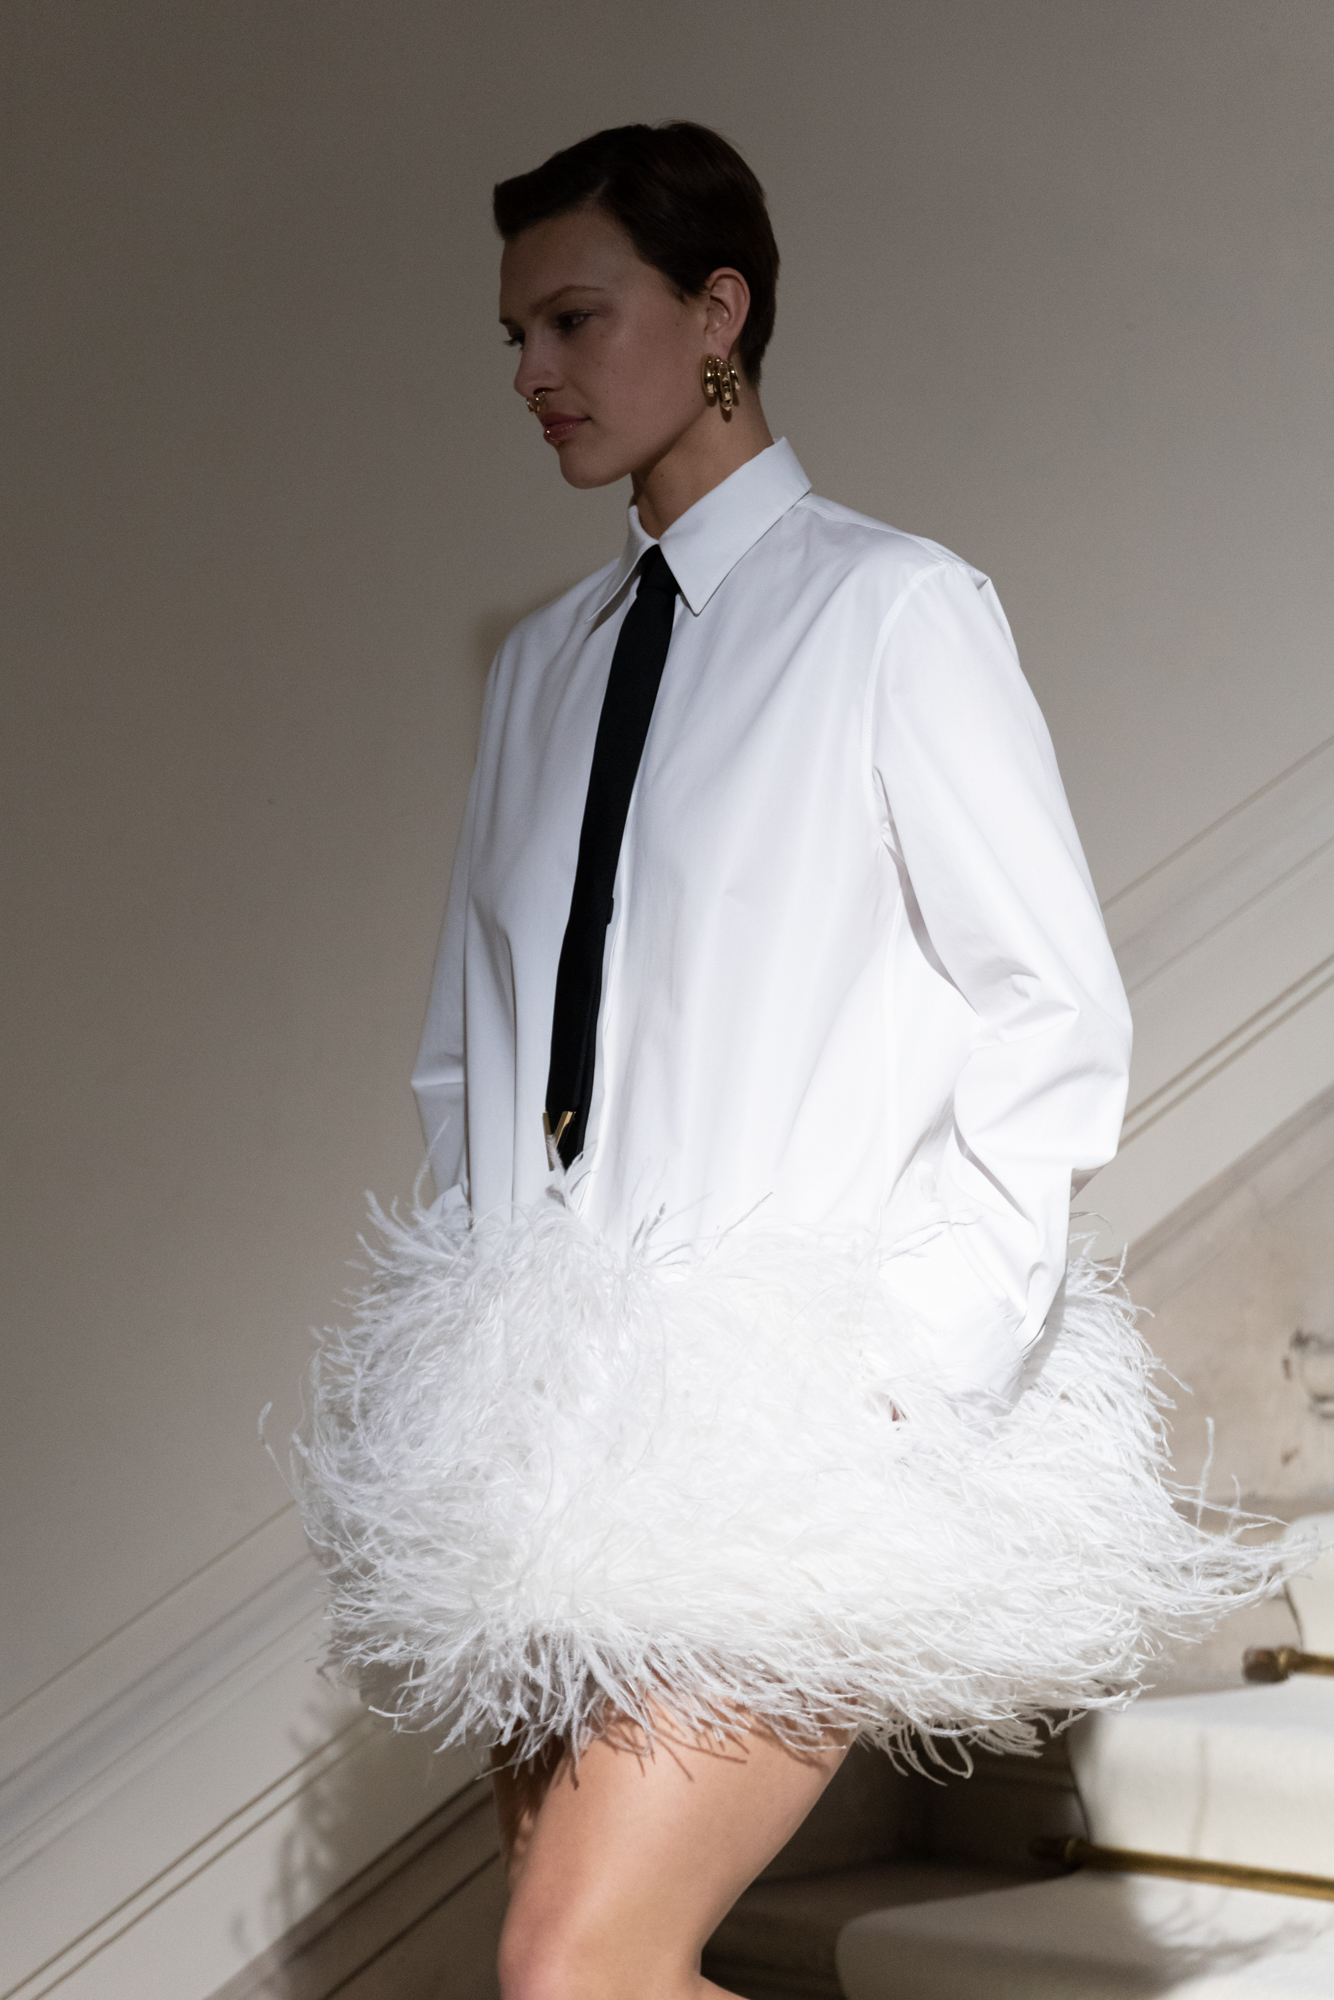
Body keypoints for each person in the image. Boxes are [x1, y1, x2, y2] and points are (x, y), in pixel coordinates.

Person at [294, 122, 1275, 2000]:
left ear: (718, 311)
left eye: (575, 319)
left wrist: (908, 1367)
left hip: (795, 1424)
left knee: (574, 1967)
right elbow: (468, 1047)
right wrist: (493, 1339)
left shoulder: (891, 610)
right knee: (577, 1969)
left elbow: (1048, 1008)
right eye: (514, 335)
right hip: (547, 1435)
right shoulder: (545, 665)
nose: (531, 373)